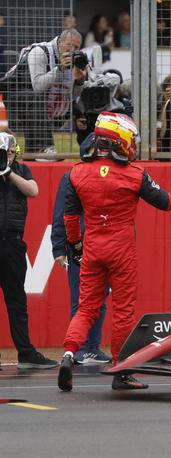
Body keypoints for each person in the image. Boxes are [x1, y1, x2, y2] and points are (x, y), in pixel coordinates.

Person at [57, 112, 171, 392]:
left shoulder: (76, 172)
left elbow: (69, 217)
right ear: (121, 143)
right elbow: (167, 202)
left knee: (86, 309)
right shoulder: (134, 175)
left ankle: (68, 354)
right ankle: (122, 371)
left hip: (92, 248)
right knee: (123, 312)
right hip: (121, 251)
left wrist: (77, 245)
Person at [0, 132, 58, 369]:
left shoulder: (21, 171)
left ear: (15, 152)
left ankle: (26, 352)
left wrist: (8, 173)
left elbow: (33, 191)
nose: (7, 156)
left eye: (10, 152)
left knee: (16, 302)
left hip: (13, 243)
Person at [51, 134, 110, 365]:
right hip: (79, 247)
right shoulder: (72, 176)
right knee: (81, 299)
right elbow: (61, 213)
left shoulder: (108, 175)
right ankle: (79, 348)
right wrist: (59, 248)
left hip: (103, 247)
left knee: (100, 299)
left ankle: (92, 347)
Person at [0, 28, 82, 155]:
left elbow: (73, 95)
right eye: (69, 45)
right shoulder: (40, 52)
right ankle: (46, 146)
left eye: (76, 47)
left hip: (40, 99)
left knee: (79, 105)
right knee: (35, 98)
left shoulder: (74, 61)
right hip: (15, 93)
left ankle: (31, 155)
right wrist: (59, 69)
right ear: (59, 42)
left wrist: (80, 81)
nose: (73, 50)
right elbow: (38, 86)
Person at [72, 59, 125, 145]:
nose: (96, 96)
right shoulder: (81, 101)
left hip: (112, 117)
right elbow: (82, 141)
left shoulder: (118, 107)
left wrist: (92, 82)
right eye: (92, 93)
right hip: (90, 118)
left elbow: (116, 79)